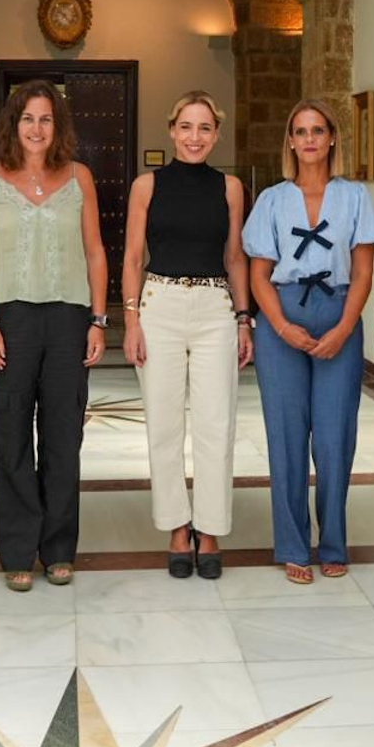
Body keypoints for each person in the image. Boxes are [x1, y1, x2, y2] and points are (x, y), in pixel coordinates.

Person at [0, 80, 107, 591]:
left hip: (69, 319)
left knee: (63, 436)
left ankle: (59, 548)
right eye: (28, 118)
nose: (37, 128)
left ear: (58, 126)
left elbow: (94, 251)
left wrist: (98, 319)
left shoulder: (79, 178)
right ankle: (18, 549)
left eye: (46, 119)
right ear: (13, 123)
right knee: (9, 434)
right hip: (11, 320)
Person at [243, 99, 374, 585]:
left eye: (317, 131)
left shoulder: (355, 197)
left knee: (333, 438)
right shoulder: (271, 200)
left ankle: (333, 543)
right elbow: (258, 274)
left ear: (331, 140)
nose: (308, 139)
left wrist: (344, 329)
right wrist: (280, 326)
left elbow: (364, 271)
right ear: (290, 141)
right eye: (299, 131)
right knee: (285, 437)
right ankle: (291, 544)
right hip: (282, 318)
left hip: (338, 314)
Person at [120, 90, 254, 580]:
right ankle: (178, 526)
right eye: (186, 127)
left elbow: (235, 257)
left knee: (217, 423)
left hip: (216, 307)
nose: (195, 137)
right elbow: (133, 258)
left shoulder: (231, 188)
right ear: (172, 130)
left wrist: (244, 317)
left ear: (215, 135)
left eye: (205, 129)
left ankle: (211, 526)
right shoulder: (146, 186)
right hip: (160, 304)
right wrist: (131, 320)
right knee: (164, 423)